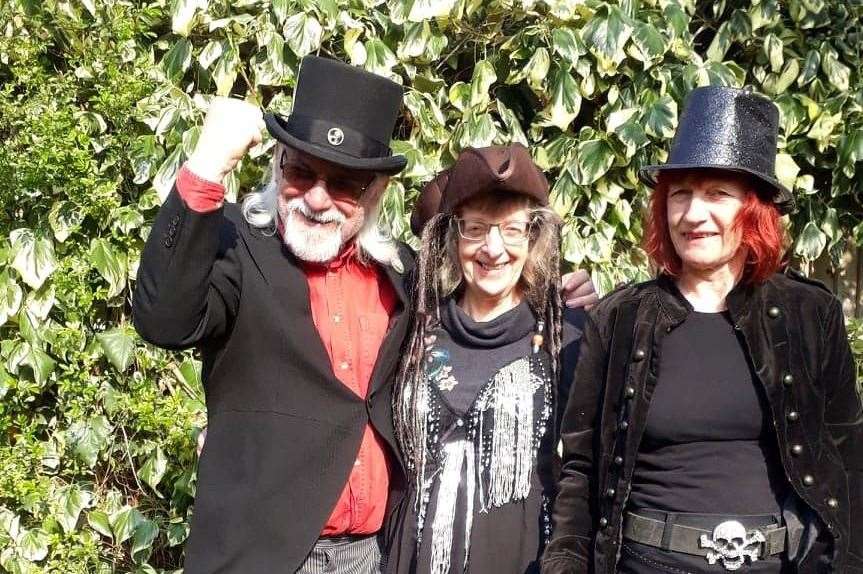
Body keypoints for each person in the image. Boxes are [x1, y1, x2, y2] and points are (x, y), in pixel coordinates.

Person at [133, 56, 597, 574]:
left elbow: (486, 278)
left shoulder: (402, 274)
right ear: (277, 161)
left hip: (372, 556)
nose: (316, 198)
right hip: (258, 555)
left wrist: (552, 297)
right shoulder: (237, 247)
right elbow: (164, 318)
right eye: (301, 171)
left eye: (344, 184)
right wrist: (207, 165)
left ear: (375, 192)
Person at [542, 86, 862, 574]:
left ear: (753, 209)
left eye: (717, 194)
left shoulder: (809, 314)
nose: (693, 214)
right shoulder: (621, 318)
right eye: (680, 194)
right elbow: (581, 470)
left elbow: (848, 457)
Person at [385, 144, 585, 574]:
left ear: (533, 237)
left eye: (511, 229)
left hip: (521, 559)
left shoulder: (565, 339)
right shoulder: (410, 328)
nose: (493, 249)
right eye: (475, 229)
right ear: (453, 237)